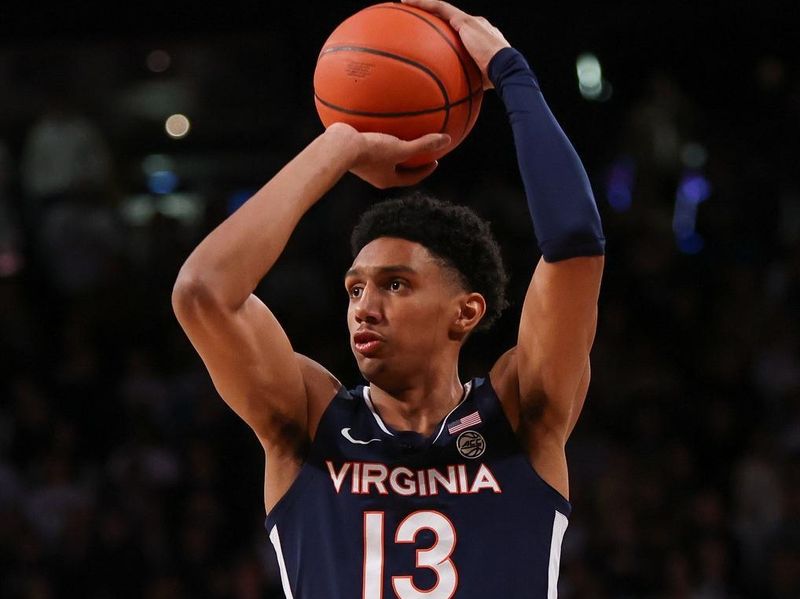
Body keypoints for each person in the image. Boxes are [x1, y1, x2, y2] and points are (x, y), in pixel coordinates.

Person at [172, 0, 605, 596]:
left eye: (395, 284)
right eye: (355, 288)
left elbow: (576, 241)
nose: (364, 306)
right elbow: (202, 292)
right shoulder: (308, 421)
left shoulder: (521, 411)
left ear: (467, 311)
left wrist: (510, 71)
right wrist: (340, 146)